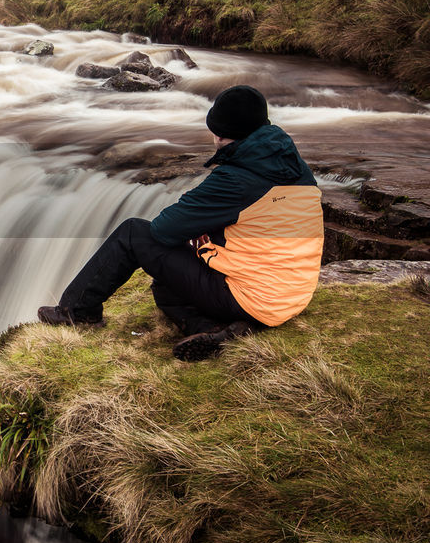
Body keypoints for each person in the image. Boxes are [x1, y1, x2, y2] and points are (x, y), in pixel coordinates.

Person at [37, 85, 324, 361]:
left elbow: (164, 229)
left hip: (254, 297)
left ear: (224, 136)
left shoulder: (235, 181)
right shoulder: (293, 165)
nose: (214, 138)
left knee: (133, 233)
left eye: (216, 132)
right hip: (293, 294)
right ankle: (219, 331)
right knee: (166, 288)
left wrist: (194, 221)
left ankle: (77, 311)